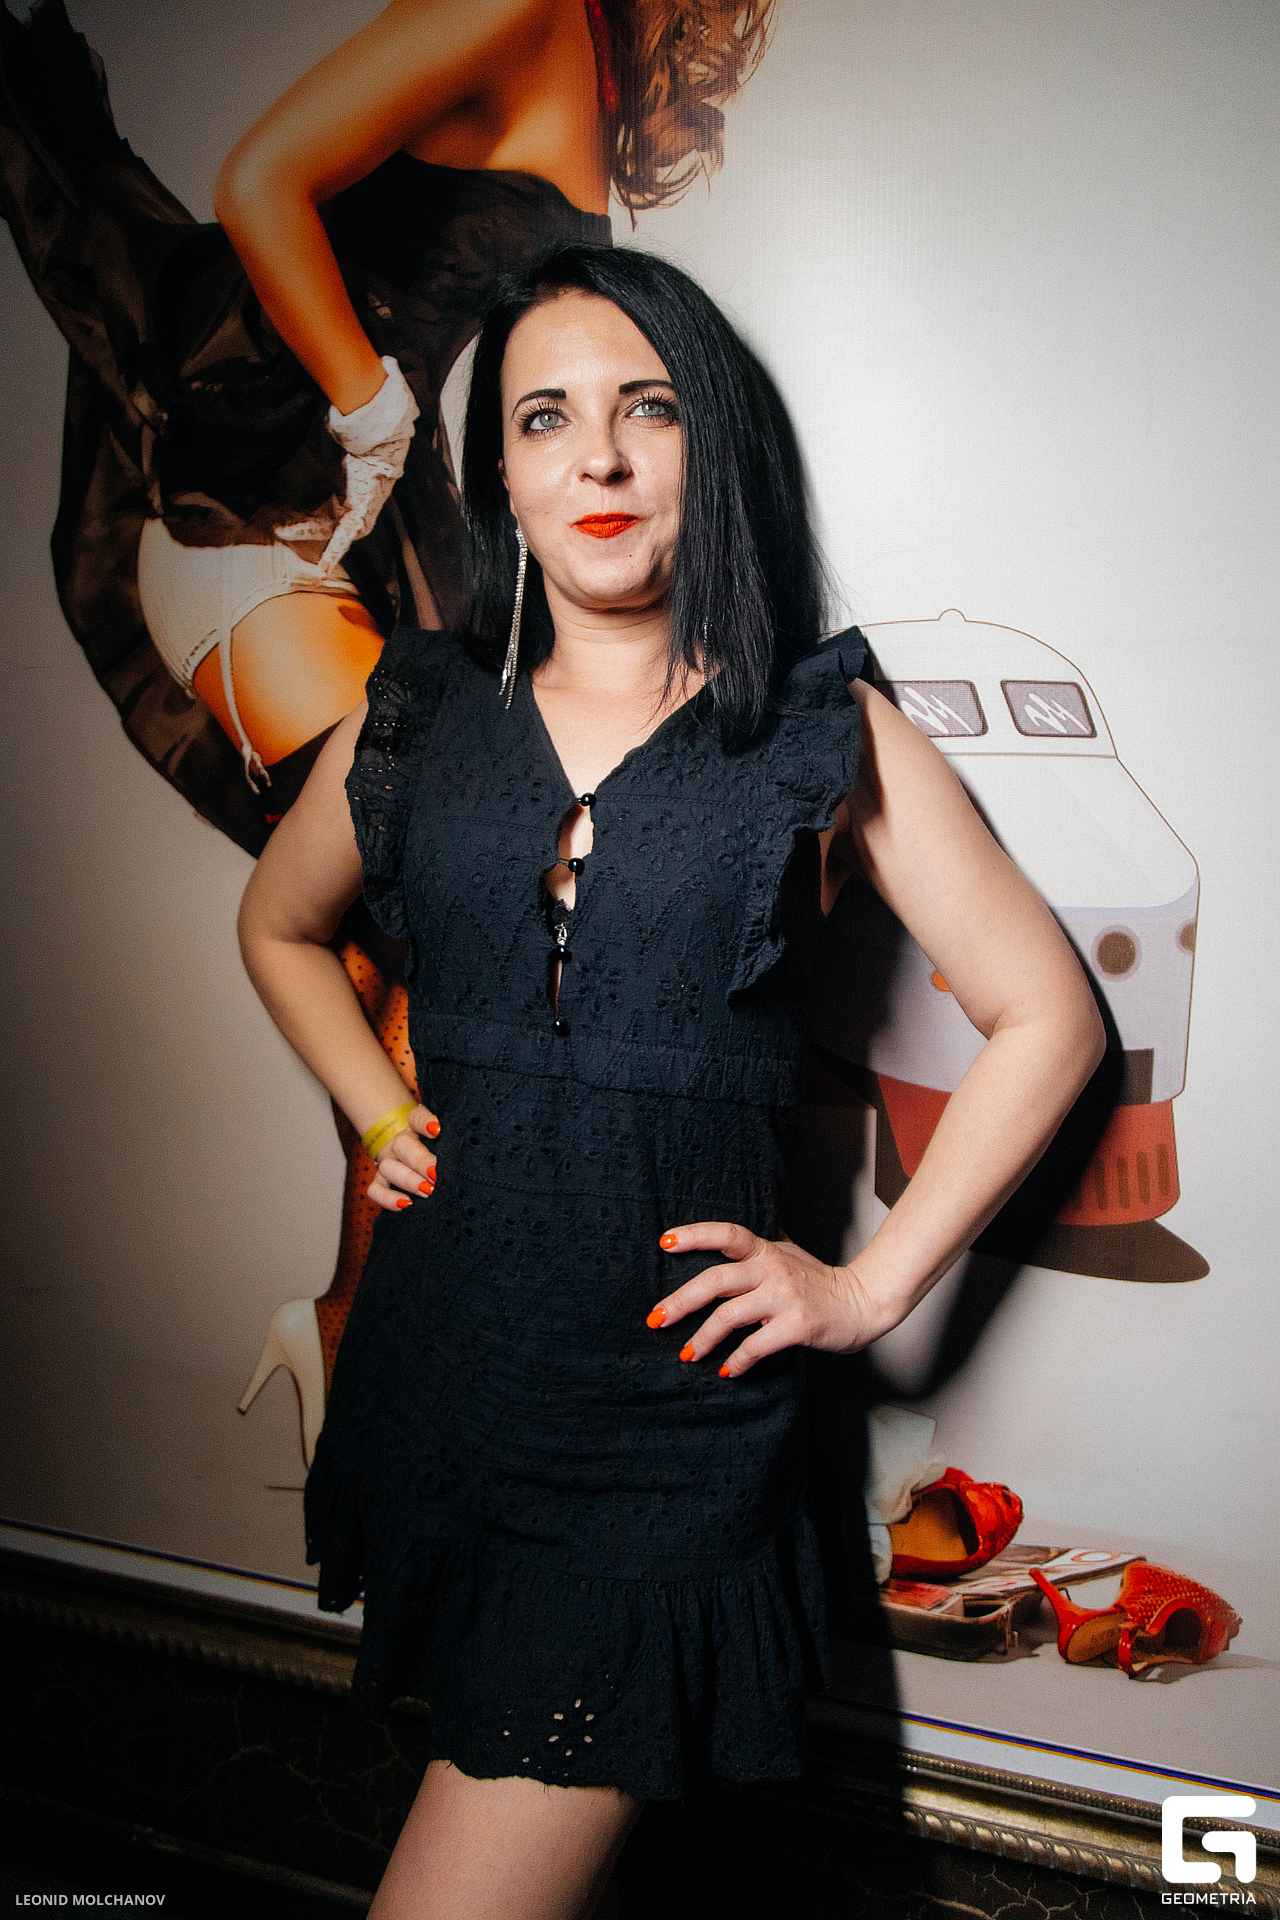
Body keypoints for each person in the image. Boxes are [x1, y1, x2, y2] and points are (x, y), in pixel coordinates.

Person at [238, 241, 1105, 1918]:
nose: (600, 459)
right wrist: (377, 1106)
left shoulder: (819, 728)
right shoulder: (417, 713)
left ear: (710, 441)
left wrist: (867, 1288)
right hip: (448, 1377)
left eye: (646, 408)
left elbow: (1050, 1018)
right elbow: (277, 926)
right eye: (545, 418)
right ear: (499, 477)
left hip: (663, 1430)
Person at [0, 0, 775, 1457]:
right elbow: (260, 180)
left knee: (407, 952)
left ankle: (362, 1337)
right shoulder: (521, 5)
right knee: (454, 923)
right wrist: (369, 411)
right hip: (265, 528)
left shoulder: (592, 72)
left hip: (371, 556)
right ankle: (395, 1352)